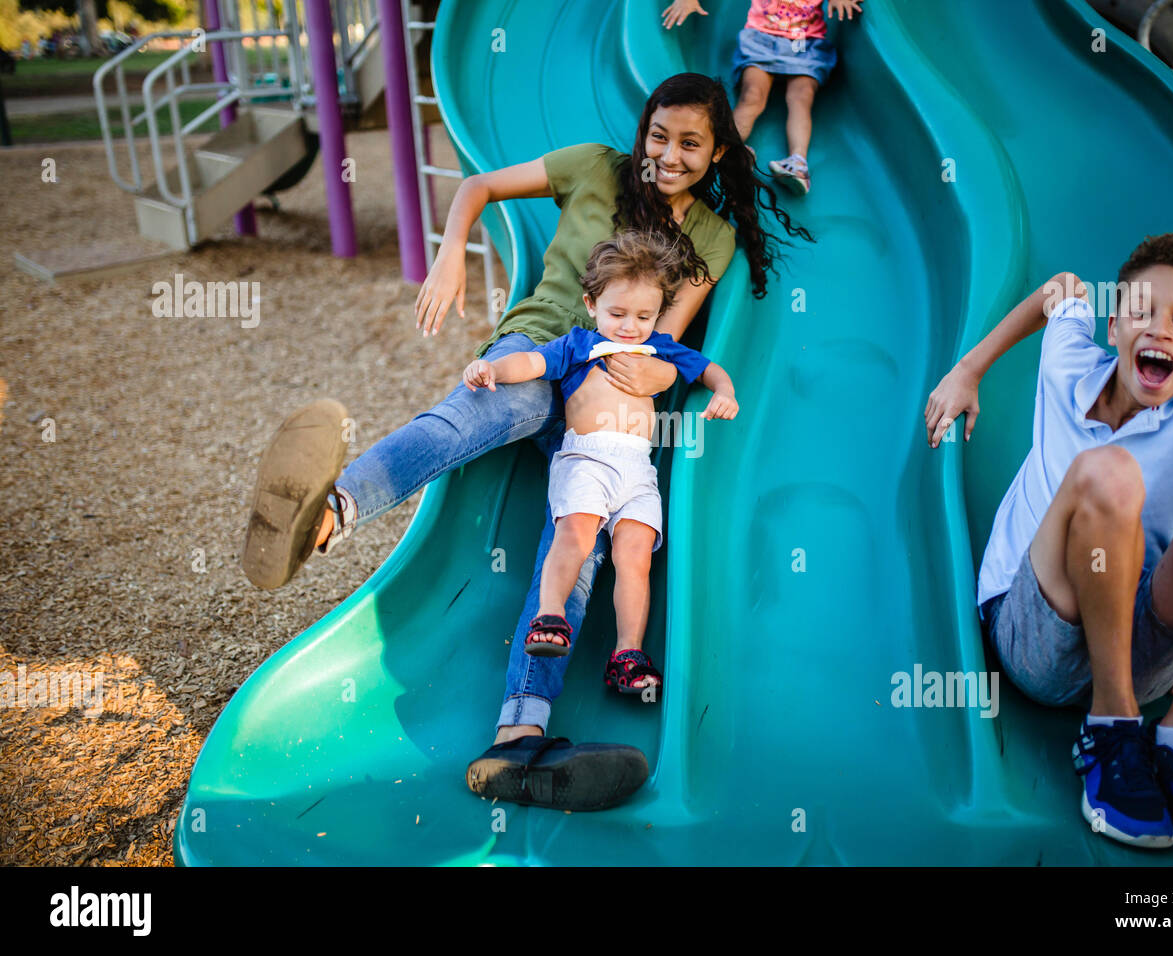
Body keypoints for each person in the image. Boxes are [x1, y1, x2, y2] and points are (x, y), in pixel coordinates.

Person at [241, 72, 810, 812]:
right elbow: (477, 186)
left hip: (602, 413)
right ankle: (328, 513)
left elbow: (660, 352)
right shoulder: (594, 165)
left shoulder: (712, 234)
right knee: (472, 416)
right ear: (643, 131)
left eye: (690, 143)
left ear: (715, 150)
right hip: (539, 353)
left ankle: (517, 740)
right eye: (659, 136)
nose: (669, 154)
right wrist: (450, 253)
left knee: (576, 555)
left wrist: (655, 382)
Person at [926, 233, 1173, 866]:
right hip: (1037, 632)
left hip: (1145, 645)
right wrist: (968, 370)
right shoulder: (1069, 360)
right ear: (1112, 319)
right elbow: (1058, 289)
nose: (1159, 331)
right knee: (1110, 473)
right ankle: (1110, 729)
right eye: (1141, 311)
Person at [463, 231, 738, 697]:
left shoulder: (661, 348)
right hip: (587, 459)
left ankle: (627, 655)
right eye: (617, 313)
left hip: (637, 470)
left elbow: (708, 367)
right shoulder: (578, 344)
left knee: (635, 558)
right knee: (576, 532)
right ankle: (549, 616)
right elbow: (531, 362)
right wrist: (494, 369)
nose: (631, 326)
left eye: (644, 316)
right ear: (591, 304)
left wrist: (726, 392)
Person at [662, 0, 862, 194]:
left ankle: (798, 163)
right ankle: (728, 150)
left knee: (801, 97)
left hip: (802, 42)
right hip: (762, 39)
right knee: (752, 96)